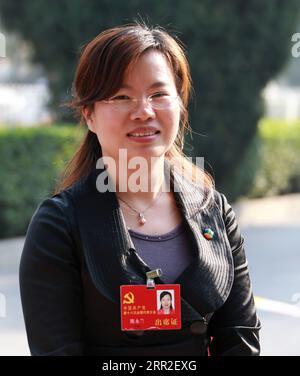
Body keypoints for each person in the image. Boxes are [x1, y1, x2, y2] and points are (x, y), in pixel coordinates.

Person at [19, 22, 261, 356]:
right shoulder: (60, 226)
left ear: (179, 105)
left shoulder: (214, 211)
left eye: (159, 94)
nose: (144, 111)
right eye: (121, 96)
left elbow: (241, 339)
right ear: (88, 114)